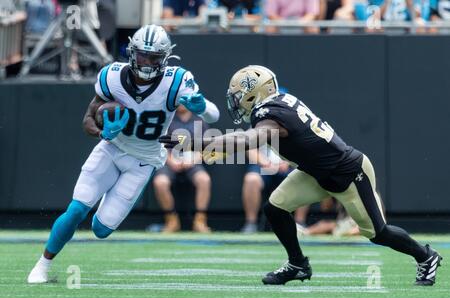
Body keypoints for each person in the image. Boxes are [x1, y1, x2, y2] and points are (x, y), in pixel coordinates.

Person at [160, 65, 442, 286]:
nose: (237, 104)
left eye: (238, 98)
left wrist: (197, 142)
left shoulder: (268, 114)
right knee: (275, 207)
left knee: (378, 233)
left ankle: (426, 256)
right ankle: (297, 264)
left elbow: (249, 141)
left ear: (253, 93)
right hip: (315, 172)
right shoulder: (279, 102)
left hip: (348, 173)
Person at [27, 24, 220, 284]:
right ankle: (42, 266)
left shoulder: (176, 80)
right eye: (143, 55)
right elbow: (87, 119)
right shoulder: (112, 76)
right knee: (76, 210)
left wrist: (203, 106)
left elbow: (214, 115)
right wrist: (102, 132)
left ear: (165, 58)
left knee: (101, 229)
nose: (148, 62)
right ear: (131, 52)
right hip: (112, 149)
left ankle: (103, 200)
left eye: (154, 57)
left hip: (143, 160)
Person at [152, 105, 212, 233]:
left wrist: (192, 160)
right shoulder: (166, 120)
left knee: (204, 179)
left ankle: (200, 221)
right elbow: (159, 145)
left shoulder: (200, 121)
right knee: (160, 182)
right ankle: (171, 221)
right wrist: (171, 160)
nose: (182, 103)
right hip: (168, 161)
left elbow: (206, 148)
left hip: (192, 162)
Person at [241, 147, 306, 233]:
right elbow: (250, 148)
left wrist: (288, 162)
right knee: (251, 179)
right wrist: (267, 164)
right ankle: (251, 223)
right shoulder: (258, 133)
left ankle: (299, 223)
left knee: (304, 177)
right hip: (262, 166)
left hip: (289, 166)